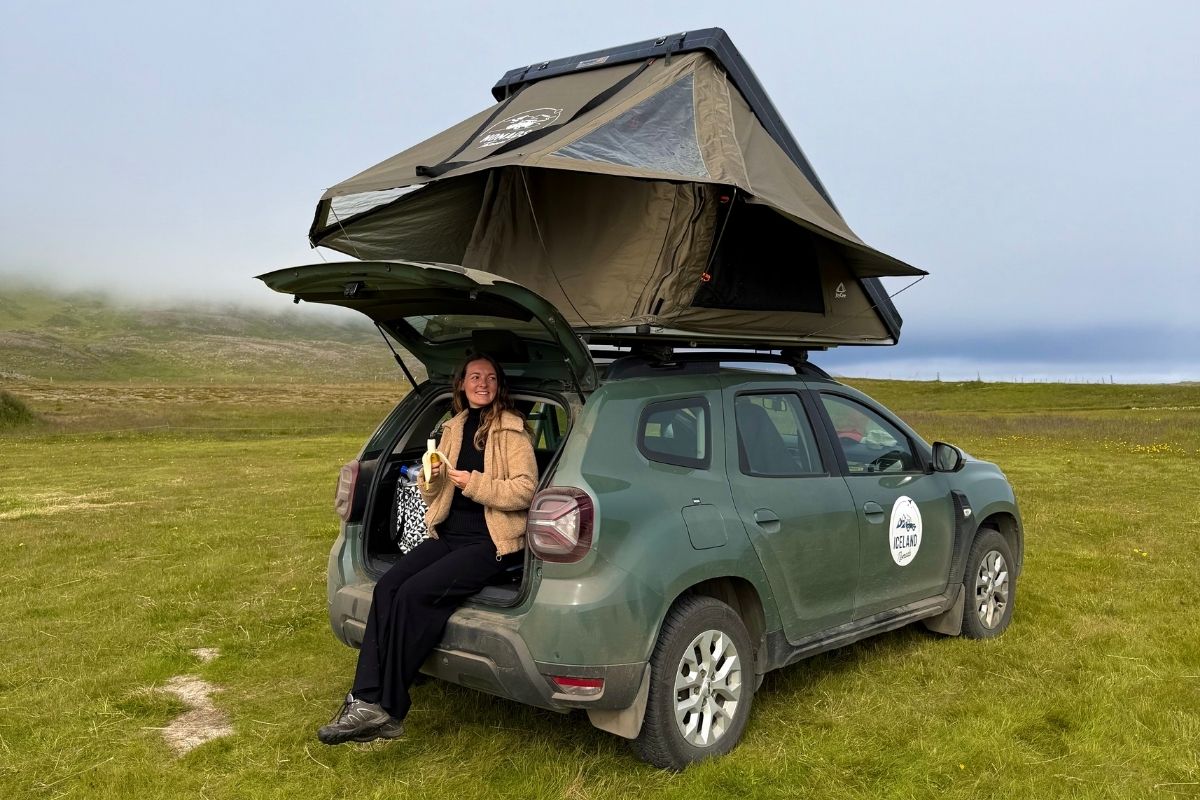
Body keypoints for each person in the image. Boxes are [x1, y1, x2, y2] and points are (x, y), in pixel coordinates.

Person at [317, 353, 538, 745]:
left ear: (498, 385)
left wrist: (473, 482)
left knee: (415, 595)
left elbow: (525, 490)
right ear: (462, 384)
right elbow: (432, 492)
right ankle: (365, 699)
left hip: (492, 542)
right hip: (447, 535)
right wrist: (432, 478)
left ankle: (389, 708)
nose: (481, 383)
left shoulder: (512, 430)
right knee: (387, 589)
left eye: (489, 376)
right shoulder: (452, 428)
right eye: (474, 376)